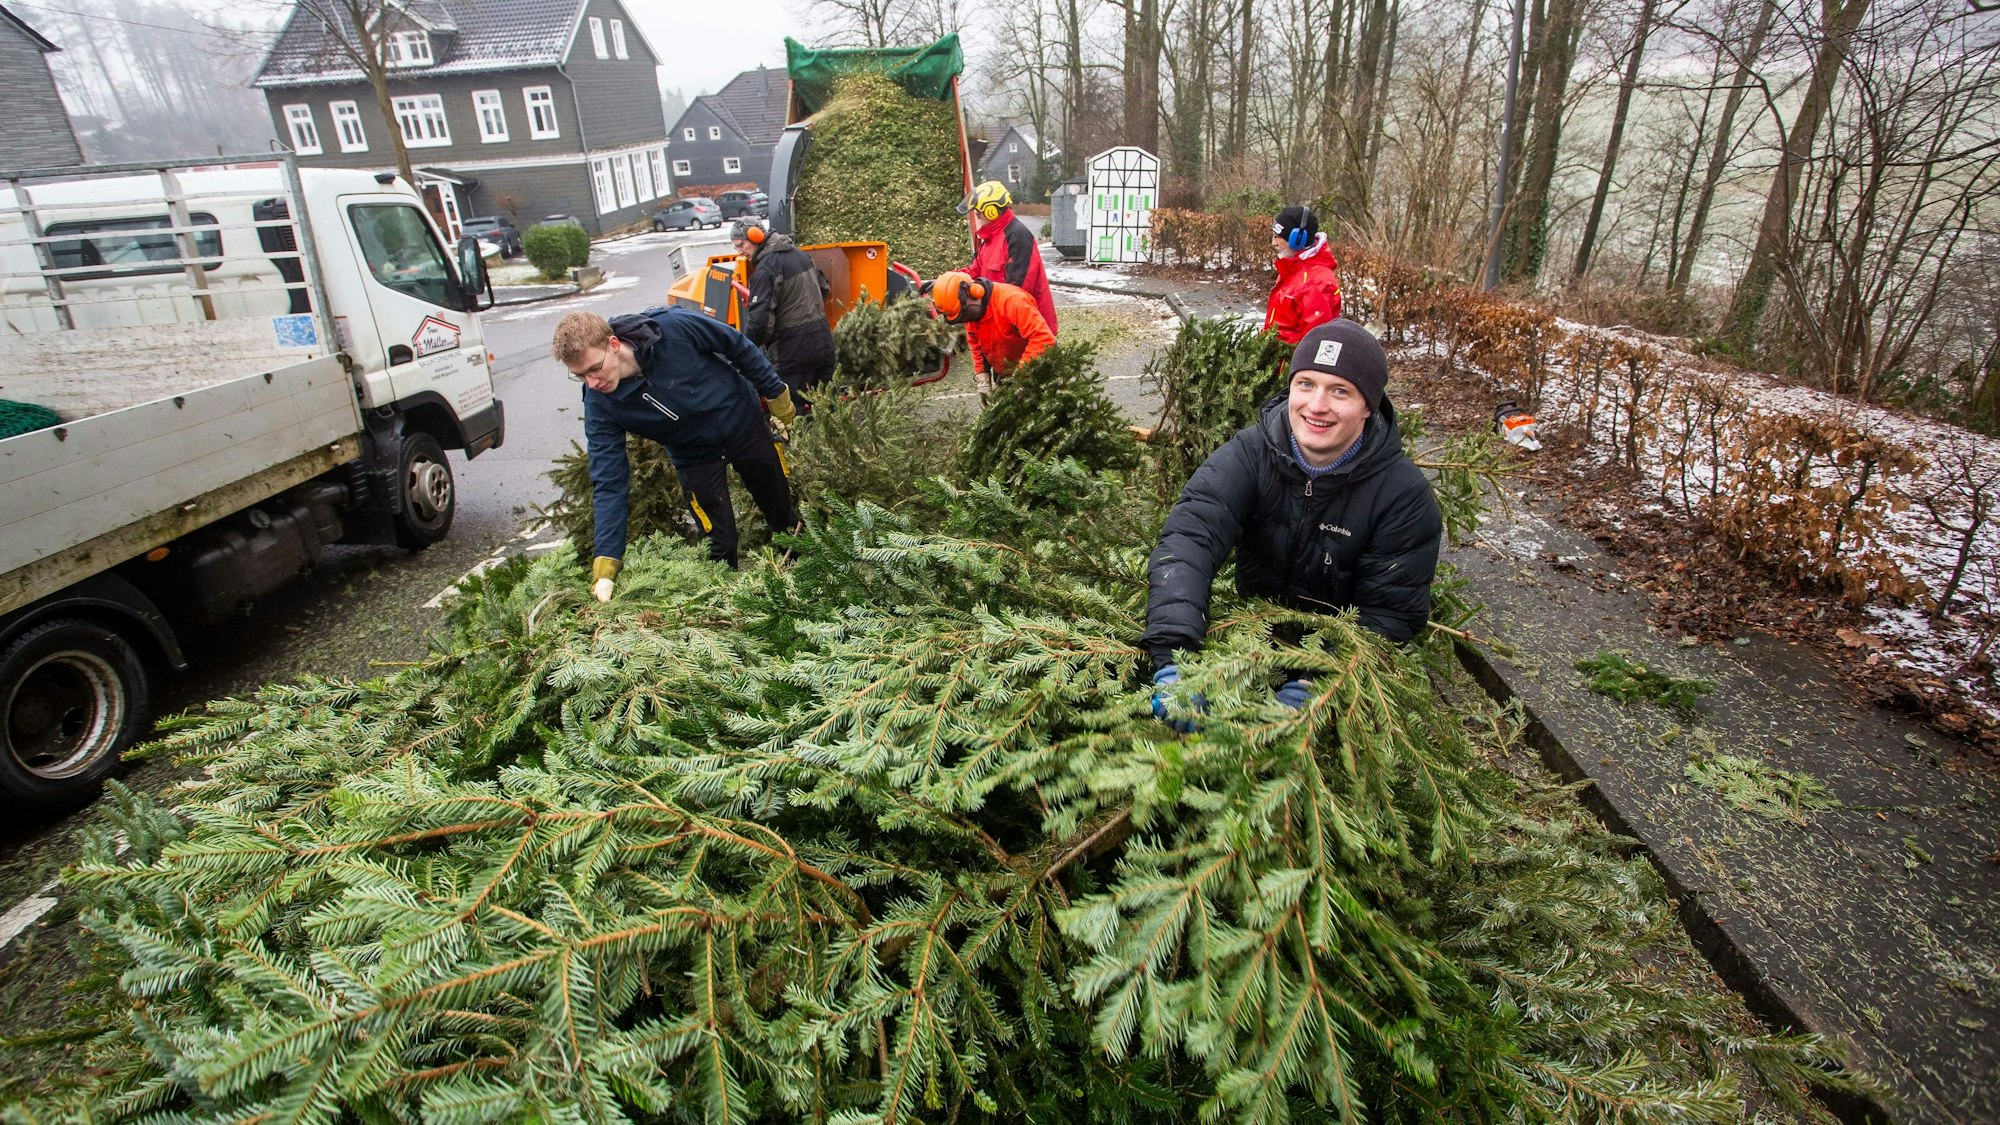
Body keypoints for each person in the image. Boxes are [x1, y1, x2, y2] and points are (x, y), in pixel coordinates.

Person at [1141, 318, 1442, 720]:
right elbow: (1189, 540)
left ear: (1368, 406)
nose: (1317, 405)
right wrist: (1174, 656)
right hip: (1253, 632)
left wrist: (1316, 685)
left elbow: (1388, 615)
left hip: (1333, 653)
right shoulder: (1249, 455)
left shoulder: (1403, 497)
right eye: (1306, 384)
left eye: (1340, 391)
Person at [551, 308, 800, 596]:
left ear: (614, 344)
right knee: (720, 543)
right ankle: (727, 603)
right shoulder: (599, 404)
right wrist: (606, 565)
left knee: (780, 513)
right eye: (580, 376)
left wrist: (775, 393)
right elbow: (609, 480)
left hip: (743, 424)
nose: (592, 383)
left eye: (595, 368)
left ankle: (801, 574)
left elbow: (735, 344)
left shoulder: (672, 328)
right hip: (694, 456)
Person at [732, 217, 836, 401]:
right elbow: (824, 288)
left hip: (793, 353)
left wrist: (743, 351)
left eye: (741, 245)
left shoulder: (766, 270)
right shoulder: (801, 255)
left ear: (755, 237)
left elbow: (760, 323)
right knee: (827, 407)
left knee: (791, 410)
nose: (739, 251)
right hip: (823, 342)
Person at [927, 270, 1055, 395]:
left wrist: (1021, 377)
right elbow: (975, 342)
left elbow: (1043, 339)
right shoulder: (970, 311)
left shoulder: (1012, 301)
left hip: (1035, 368)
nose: (966, 320)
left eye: (964, 314)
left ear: (974, 292)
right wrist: (982, 377)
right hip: (1005, 372)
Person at [960, 179, 1058, 335]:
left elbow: (1018, 291)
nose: (977, 217)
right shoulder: (991, 238)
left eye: (978, 213)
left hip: (1024, 328)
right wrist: (950, 280)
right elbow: (975, 270)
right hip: (1002, 322)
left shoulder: (1017, 237)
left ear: (991, 211)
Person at [1263, 204, 1343, 345]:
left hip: (1291, 357)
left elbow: (1315, 344)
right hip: (1277, 354)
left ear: (1297, 239)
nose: (1273, 243)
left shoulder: (1315, 283)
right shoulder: (1293, 267)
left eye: (1278, 237)